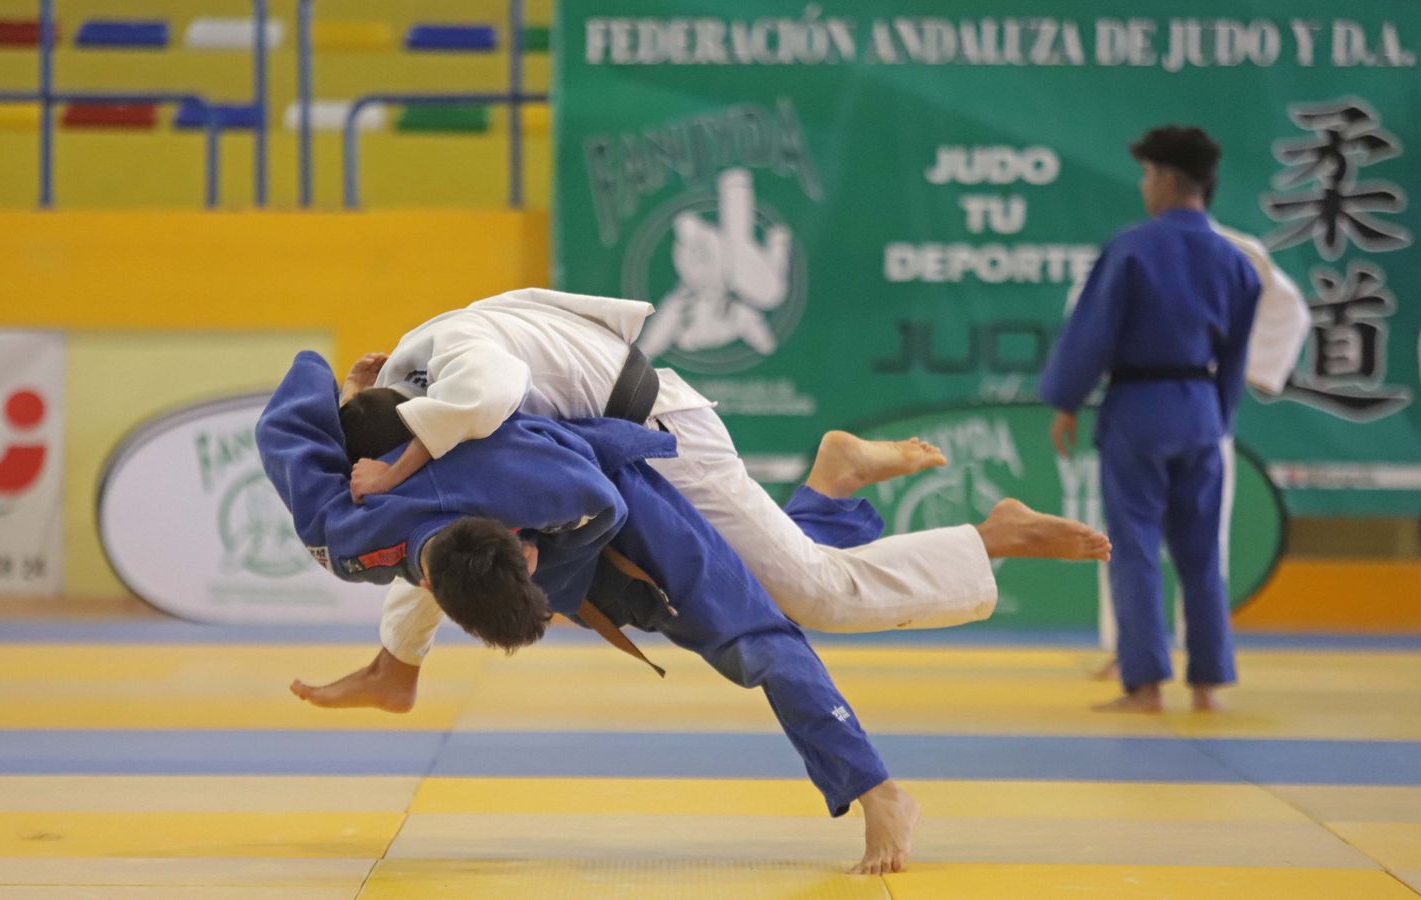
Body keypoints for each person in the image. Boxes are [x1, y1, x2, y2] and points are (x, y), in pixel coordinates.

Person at [256, 350, 923, 874]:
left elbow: (604, 498)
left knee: (756, 640)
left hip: (626, 505)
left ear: (517, 536)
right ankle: (830, 493)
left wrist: (351, 393)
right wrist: (347, 401)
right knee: (759, 587)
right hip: (556, 538)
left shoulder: (525, 477)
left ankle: (880, 792)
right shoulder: (346, 534)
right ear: (430, 586)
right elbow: (289, 407)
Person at [308, 288, 1110, 711]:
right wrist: (356, 394)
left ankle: (991, 535)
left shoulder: (457, 364)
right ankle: (833, 482)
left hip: (661, 436)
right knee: (455, 544)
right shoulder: (410, 373)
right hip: (624, 433)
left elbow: (483, 400)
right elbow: (433, 509)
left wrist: (394, 471)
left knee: (815, 597)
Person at [1040, 125, 1262, 713]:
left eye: (1145, 175)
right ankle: (1209, 683)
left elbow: (1093, 334)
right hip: (1201, 408)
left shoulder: (1133, 248)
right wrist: (1219, 415)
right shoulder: (1235, 261)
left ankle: (1144, 685)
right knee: (1202, 552)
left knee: (1135, 545)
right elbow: (1237, 356)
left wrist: (1067, 400)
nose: (1143, 186)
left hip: (1139, 407)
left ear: (1166, 179)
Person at [1086, 212, 1310, 682]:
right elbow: (1091, 315)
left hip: (1186, 397)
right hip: (1166, 400)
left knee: (1187, 541)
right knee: (1133, 539)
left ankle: (1190, 654)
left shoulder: (1232, 249)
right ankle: (1135, 652)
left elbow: (1288, 309)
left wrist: (1252, 368)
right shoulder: (1135, 248)